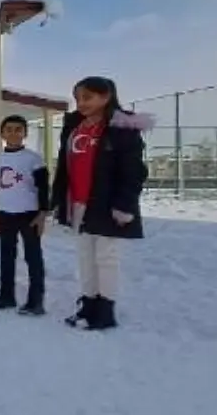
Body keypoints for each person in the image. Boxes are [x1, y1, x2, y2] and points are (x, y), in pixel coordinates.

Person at [52, 76, 151, 331]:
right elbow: (65, 165)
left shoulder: (121, 127)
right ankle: (88, 303)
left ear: (106, 96)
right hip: (78, 202)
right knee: (85, 256)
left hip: (107, 204)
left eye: (88, 97)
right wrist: (57, 199)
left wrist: (125, 205)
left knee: (106, 257)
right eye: (78, 98)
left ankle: (105, 310)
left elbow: (134, 171)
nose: (81, 103)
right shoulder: (75, 126)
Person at [0, 115, 49, 315]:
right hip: (5, 214)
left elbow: (43, 188)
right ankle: (7, 296)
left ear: (25, 133)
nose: (13, 133)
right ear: (1, 133)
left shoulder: (33, 159)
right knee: (7, 256)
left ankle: (35, 300)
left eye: (18, 129)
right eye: (9, 129)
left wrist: (42, 214)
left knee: (33, 257)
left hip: (29, 214)